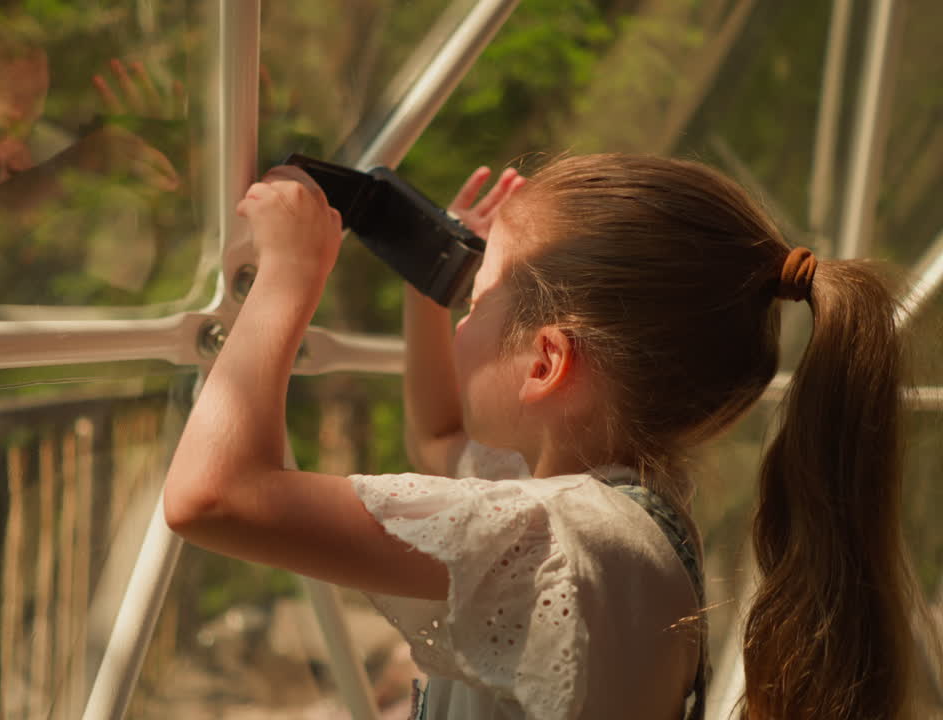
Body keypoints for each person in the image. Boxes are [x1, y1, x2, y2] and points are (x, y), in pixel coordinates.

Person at [163, 152, 940, 719]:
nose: (465, 305)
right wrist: (432, 294)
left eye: (480, 294)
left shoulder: (554, 538)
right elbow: (439, 440)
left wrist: (287, 275)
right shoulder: (619, 522)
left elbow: (214, 496)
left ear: (546, 363)